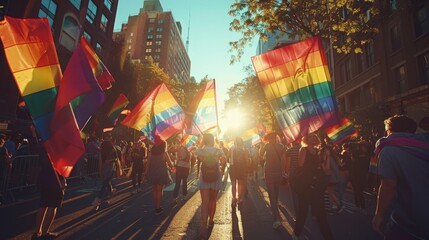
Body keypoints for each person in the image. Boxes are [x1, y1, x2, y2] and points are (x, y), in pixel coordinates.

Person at [372, 115, 429, 239]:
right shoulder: (425, 142)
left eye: (386, 130)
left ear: (390, 131)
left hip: (410, 220)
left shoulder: (388, 149)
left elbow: (388, 186)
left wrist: (379, 214)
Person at [292, 134, 334, 240]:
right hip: (304, 186)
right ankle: (296, 234)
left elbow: (326, 170)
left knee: (321, 214)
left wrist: (327, 157)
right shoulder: (303, 149)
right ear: (306, 139)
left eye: (314, 137)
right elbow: (301, 165)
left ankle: (329, 237)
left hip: (316, 186)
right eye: (310, 137)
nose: (312, 138)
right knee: (303, 212)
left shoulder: (319, 151)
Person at [194, 133, 226, 239]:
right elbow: (224, 160)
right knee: (213, 200)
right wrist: (222, 170)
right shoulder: (218, 150)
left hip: (205, 176)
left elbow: (197, 153)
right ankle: (211, 220)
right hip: (215, 176)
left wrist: (201, 144)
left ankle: (203, 227)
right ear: (212, 140)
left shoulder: (201, 151)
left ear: (205, 140)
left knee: (205, 202)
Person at [32, 144, 66, 240]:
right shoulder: (58, 146)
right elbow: (61, 165)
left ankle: (37, 231)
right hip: (55, 179)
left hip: (44, 177)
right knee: (53, 205)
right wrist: (63, 179)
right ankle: (45, 232)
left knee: (43, 204)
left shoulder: (44, 145)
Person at [260, 132, 286, 229]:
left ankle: (277, 219)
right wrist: (284, 171)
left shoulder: (266, 146)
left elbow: (260, 154)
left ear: (269, 139)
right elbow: (284, 158)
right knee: (276, 190)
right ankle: (276, 204)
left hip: (269, 173)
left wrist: (263, 146)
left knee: (272, 195)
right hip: (279, 173)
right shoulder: (281, 146)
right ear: (276, 138)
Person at [144, 135, 174, 215]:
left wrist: (146, 174)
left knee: (154, 190)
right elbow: (170, 164)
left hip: (153, 173)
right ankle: (158, 207)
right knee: (159, 190)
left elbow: (148, 165)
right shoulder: (164, 153)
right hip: (162, 173)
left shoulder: (151, 154)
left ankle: (156, 206)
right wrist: (172, 166)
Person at [92, 133, 118, 210]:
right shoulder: (111, 148)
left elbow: (101, 160)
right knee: (105, 183)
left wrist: (100, 170)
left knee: (105, 183)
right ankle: (108, 192)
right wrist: (109, 161)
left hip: (107, 168)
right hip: (109, 168)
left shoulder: (105, 148)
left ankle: (99, 198)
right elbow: (116, 159)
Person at [229, 137, 249, 208]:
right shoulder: (244, 149)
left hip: (232, 167)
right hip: (241, 167)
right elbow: (246, 160)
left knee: (233, 184)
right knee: (240, 183)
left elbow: (229, 159)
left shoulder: (231, 148)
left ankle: (234, 197)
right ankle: (239, 198)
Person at [285, 140, 300, 214]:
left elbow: (288, 164)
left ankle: (298, 213)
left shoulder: (289, 151)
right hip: (302, 173)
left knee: (294, 194)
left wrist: (286, 174)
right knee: (301, 193)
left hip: (293, 174)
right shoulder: (303, 149)